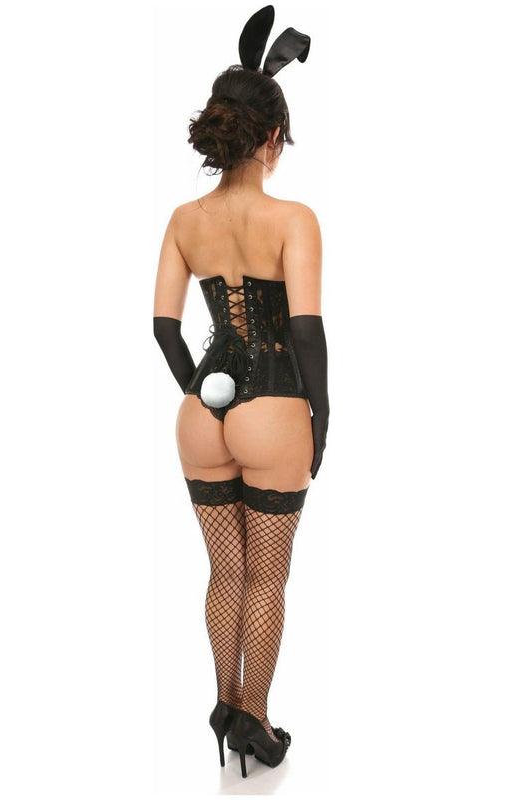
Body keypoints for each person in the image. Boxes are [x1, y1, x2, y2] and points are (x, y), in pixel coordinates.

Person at [153, 5, 329, 779]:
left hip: (200, 414)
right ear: (270, 138)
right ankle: (253, 718)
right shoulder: (293, 219)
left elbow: (163, 329)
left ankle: (224, 707)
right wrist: (322, 414)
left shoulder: (184, 219)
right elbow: (305, 331)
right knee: (267, 576)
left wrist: (201, 392)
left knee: (225, 570)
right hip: (274, 410)